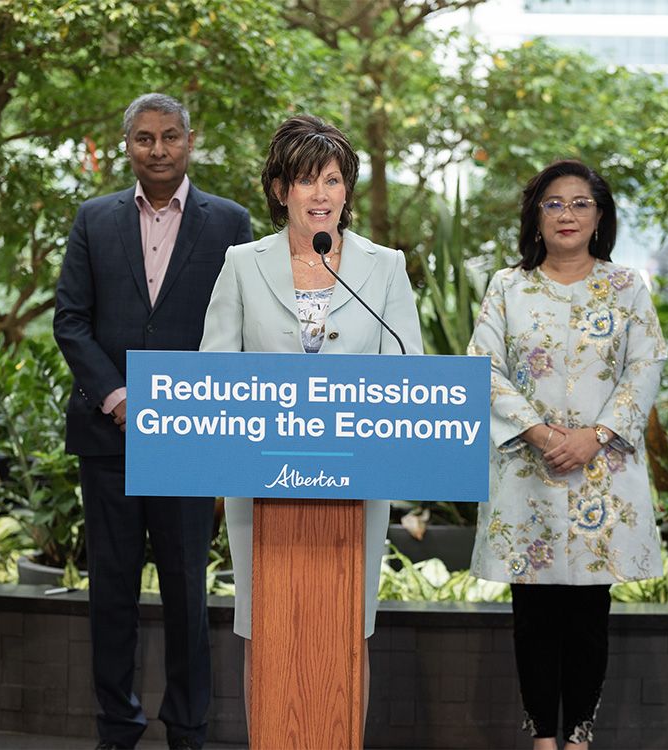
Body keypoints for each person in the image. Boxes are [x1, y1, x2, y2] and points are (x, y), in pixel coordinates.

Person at [198, 114, 423, 718]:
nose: (320, 195)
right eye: (305, 181)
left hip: (355, 483)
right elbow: (213, 374)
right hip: (262, 482)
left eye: (332, 180)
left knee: (348, 631)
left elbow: (410, 372)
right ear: (280, 190)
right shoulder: (243, 263)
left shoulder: (386, 266)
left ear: (347, 190)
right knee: (264, 629)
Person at [53, 93, 252, 750]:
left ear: (190, 141)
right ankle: (117, 728)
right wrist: (117, 398)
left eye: (169, 136)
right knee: (111, 594)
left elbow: (241, 325)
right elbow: (72, 321)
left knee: (187, 597)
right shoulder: (93, 218)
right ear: (127, 144)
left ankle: (189, 731)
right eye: (144, 138)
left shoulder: (229, 223)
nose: (158, 149)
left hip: (192, 441)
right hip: (108, 437)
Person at [468, 160, 666, 749]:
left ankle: (577, 736)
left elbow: (646, 365)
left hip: (601, 476)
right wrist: (538, 433)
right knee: (533, 614)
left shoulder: (627, 286)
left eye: (580, 203)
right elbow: (484, 367)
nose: (567, 215)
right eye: (554, 203)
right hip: (528, 473)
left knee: (587, 615)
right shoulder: (508, 286)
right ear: (535, 216)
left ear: (599, 216)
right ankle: (541, 738)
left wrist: (595, 435)